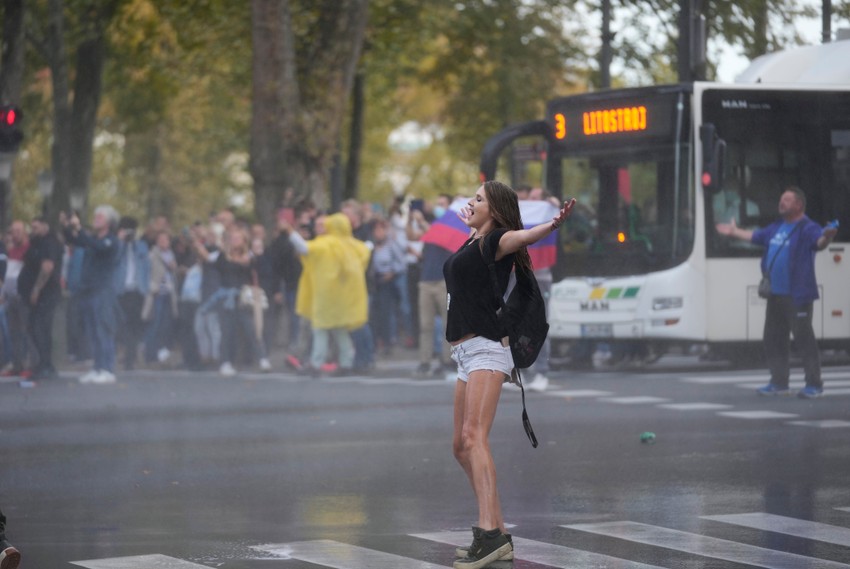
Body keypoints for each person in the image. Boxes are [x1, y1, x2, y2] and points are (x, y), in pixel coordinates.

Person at [445, 180, 574, 569]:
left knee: (474, 437)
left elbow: (523, 237)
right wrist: (471, 226)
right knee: (459, 445)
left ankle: (489, 534)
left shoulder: (497, 240)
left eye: (479, 199)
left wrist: (550, 226)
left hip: (487, 349)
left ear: (496, 211)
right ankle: (497, 531)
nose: (472, 201)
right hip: (466, 353)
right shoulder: (474, 240)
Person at [716, 186, 837, 398]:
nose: (781, 203)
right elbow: (757, 236)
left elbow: (819, 242)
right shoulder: (778, 226)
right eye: (781, 200)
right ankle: (779, 382)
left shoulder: (806, 227)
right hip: (776, 294)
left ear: (798, 205)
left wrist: (827, 237)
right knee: (773, 338)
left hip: (797, 294)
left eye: (787, 200)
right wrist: (735, 232)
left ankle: (814, 384)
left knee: (803, 338)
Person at [286, 213, 371, 376]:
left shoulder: (325, 244)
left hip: (325, 296)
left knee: (320, 329)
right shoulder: (353, 245)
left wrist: (290, 232)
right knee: (341, 331)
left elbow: (304, 248)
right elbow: (367, 248)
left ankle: (316, 363)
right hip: (344, 298)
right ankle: (346, 362)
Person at [194, 225, 271, 375]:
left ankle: (262, 358)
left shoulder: (250, 256)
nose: (235, 240)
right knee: (227, 331)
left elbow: (255, 269)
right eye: (233, 238)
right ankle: (225, 362)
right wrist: (198, 244)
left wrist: (249, 259)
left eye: (238, 238)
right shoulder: (223, 256)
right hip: (226, 298)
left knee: (251, 329)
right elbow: (209, 259)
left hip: (243, 298)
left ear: (244, 241)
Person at [62, 206, 122, 384]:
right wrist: (67, 226)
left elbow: (95, 245)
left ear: (109, 222)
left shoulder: (111, 240)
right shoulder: (93, 239)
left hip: (102, 291)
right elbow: (75, 240)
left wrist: (79, 228)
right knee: (92, 331)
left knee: (103, 330)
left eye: (100, 217)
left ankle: (107, 369)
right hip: (88, 290)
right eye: (95, 216)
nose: (96, 219)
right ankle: (97, 368)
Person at [17, 216, 64, 380]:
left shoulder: (48, 242)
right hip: (36, 294)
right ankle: (42, 363)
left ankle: (46, 364)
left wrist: (36, 289)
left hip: (46, 294)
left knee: (41, 328)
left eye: (36, 227)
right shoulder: (37, 242)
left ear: (45, 226)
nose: (33, 230)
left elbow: (47, 267)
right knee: (35, 328)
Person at [114, 216, 150, 370]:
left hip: (137, 290)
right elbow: (113, 259)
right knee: (121, 325)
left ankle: (130, 359)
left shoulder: (141, 246)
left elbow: (146, 266)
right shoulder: (115, 245)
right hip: (120, 290)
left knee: (135, 325)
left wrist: (146, 288)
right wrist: (121, 242)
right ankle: (122, 353)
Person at [142, 231, 178, 364]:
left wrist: (174, 268)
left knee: (165, 325)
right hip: (157, 294)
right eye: (161, 239)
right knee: (154, 324)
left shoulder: (171, 254)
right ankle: (149, 355)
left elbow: (173, 272)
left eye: (166, 239)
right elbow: (148, 272)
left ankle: (159, 352)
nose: (163, 242)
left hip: (168, 293)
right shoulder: (152, 255)